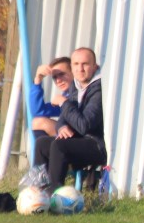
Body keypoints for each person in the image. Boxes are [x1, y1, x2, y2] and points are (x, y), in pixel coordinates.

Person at [33, 47, 107, 192]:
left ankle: (54, 193)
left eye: (85, 64)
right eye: (76, 64)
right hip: (80, 140)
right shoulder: (76, 86)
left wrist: (64, 103)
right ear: (72, 68)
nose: (80, 69)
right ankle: (37, 191)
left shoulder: (99, 89)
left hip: (96, 144)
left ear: (95, 67)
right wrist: (61, 126)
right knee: (42, 144)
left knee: (59, 146)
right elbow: (63, 117)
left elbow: (84, 125)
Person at [29, 56, 74, 138]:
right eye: (55, 77)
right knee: (37, 122)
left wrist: (64, 102)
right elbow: (38, 111)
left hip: (84, 138)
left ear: (74, 72)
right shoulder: (65, 96)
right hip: (71, 136)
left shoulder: (83, 91)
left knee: (38, 123)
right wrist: (38, 79)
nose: (58, 80)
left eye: (61, 74)